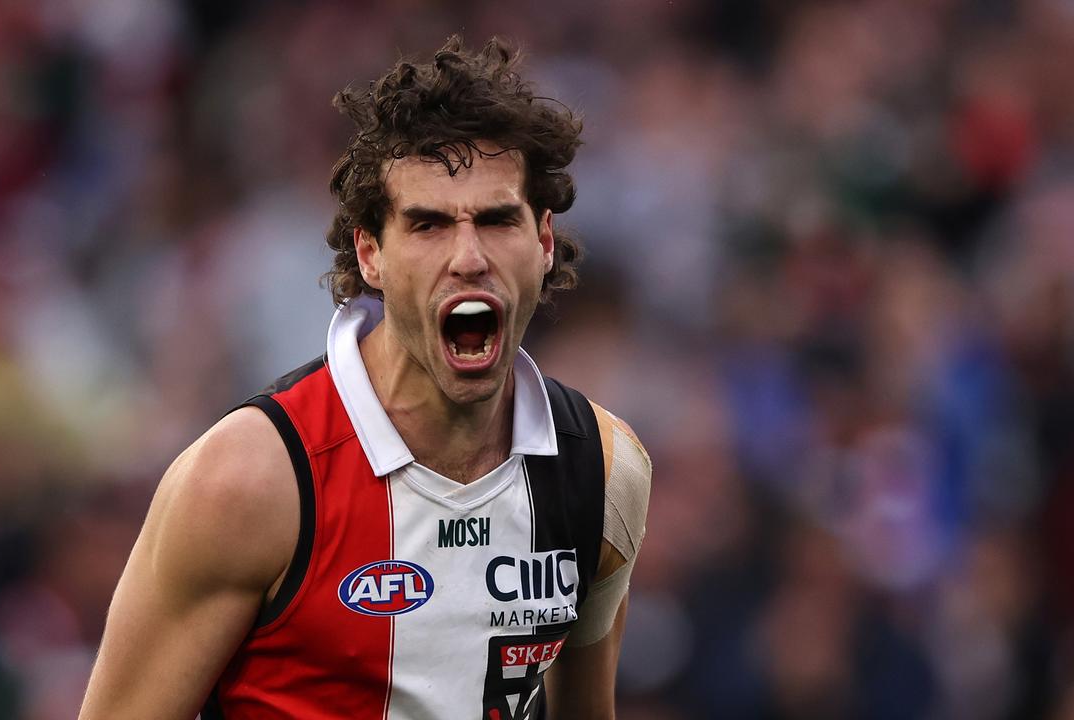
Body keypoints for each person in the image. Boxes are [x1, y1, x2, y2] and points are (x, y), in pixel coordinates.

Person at [79, 36, 651, 720]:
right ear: (370, 253)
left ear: (544, 241)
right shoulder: (248, 480)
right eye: (429, 225)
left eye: (498, 220)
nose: (468, 257)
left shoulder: (605, 467)